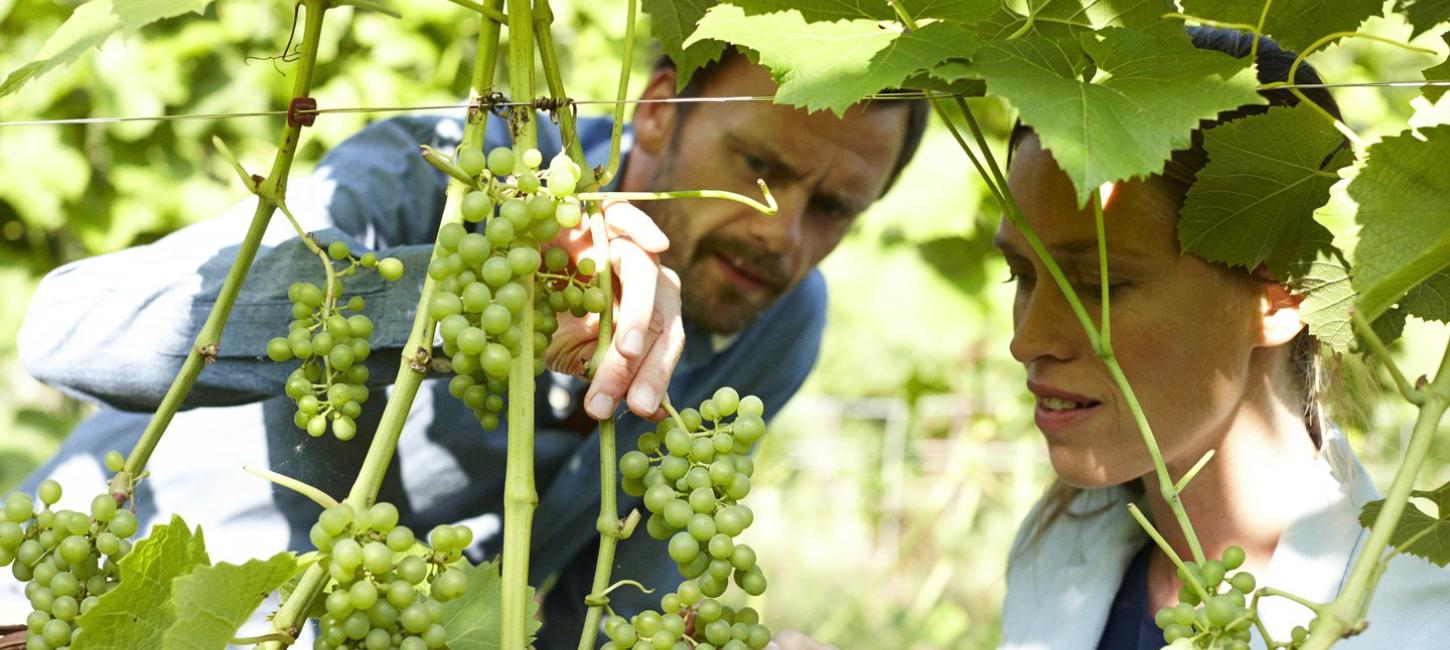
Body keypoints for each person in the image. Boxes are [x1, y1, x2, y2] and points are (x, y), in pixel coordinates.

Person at [8, 48, 927, 646]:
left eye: (837, 207)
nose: (783, 232)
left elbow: (624, 606)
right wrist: (453, 297)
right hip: (84, 607)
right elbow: (66, 331)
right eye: (761, 168)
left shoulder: (778, 316)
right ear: (656, 110)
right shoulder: (439, 176)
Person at [993, 28, 1450, 649]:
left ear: (1286, 294)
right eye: (1021, 275)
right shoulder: (1051, 550)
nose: (1027, 340)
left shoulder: (1424, 621)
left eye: (1098, 284)